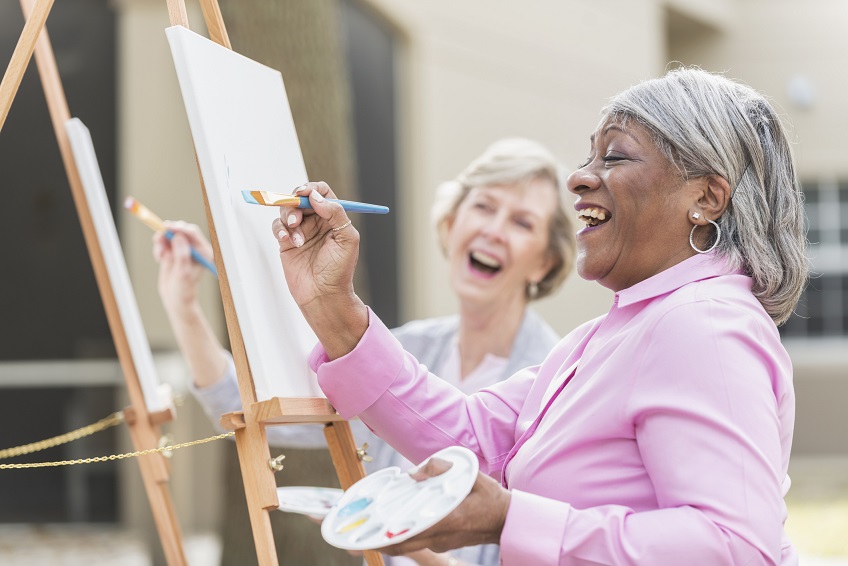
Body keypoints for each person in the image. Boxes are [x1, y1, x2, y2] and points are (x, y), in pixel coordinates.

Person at [271, 67, 808, 565]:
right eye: (589, 157)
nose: (578, 178)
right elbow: (473, 439)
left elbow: (735, 548)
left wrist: (510, 519)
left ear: (707, 197)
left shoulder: (702, 324)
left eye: (615, 157)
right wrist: (330, 305)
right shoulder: (611, 334)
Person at [153, 138, 577, 566]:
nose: (494, 231)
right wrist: (184, 307)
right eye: (484, 207)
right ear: (451, 223)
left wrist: (393, 535)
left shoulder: (554, 385)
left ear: (546, 262)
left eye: (522, 223)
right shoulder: (400, 351)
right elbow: (248, 407)